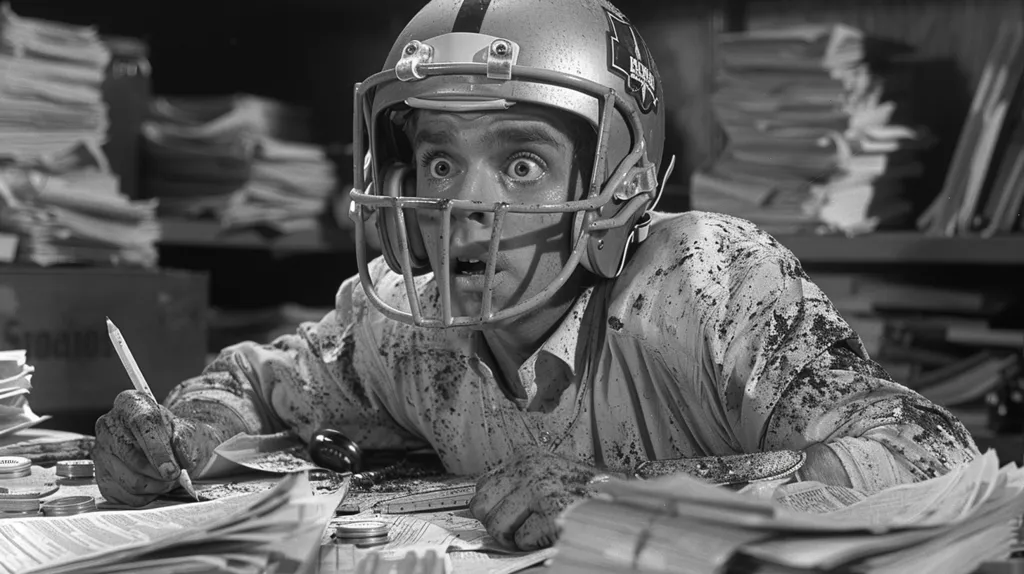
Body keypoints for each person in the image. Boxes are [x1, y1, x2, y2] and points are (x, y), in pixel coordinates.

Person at [93, 0, 978, 551]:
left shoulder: (709, 282)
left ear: (619, 186)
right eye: (441, 162)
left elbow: (927, 454)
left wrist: (639, 501)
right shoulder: (407, 324)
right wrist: (183, 435)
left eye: (521, 164)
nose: (463, 205)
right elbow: (255, 381)